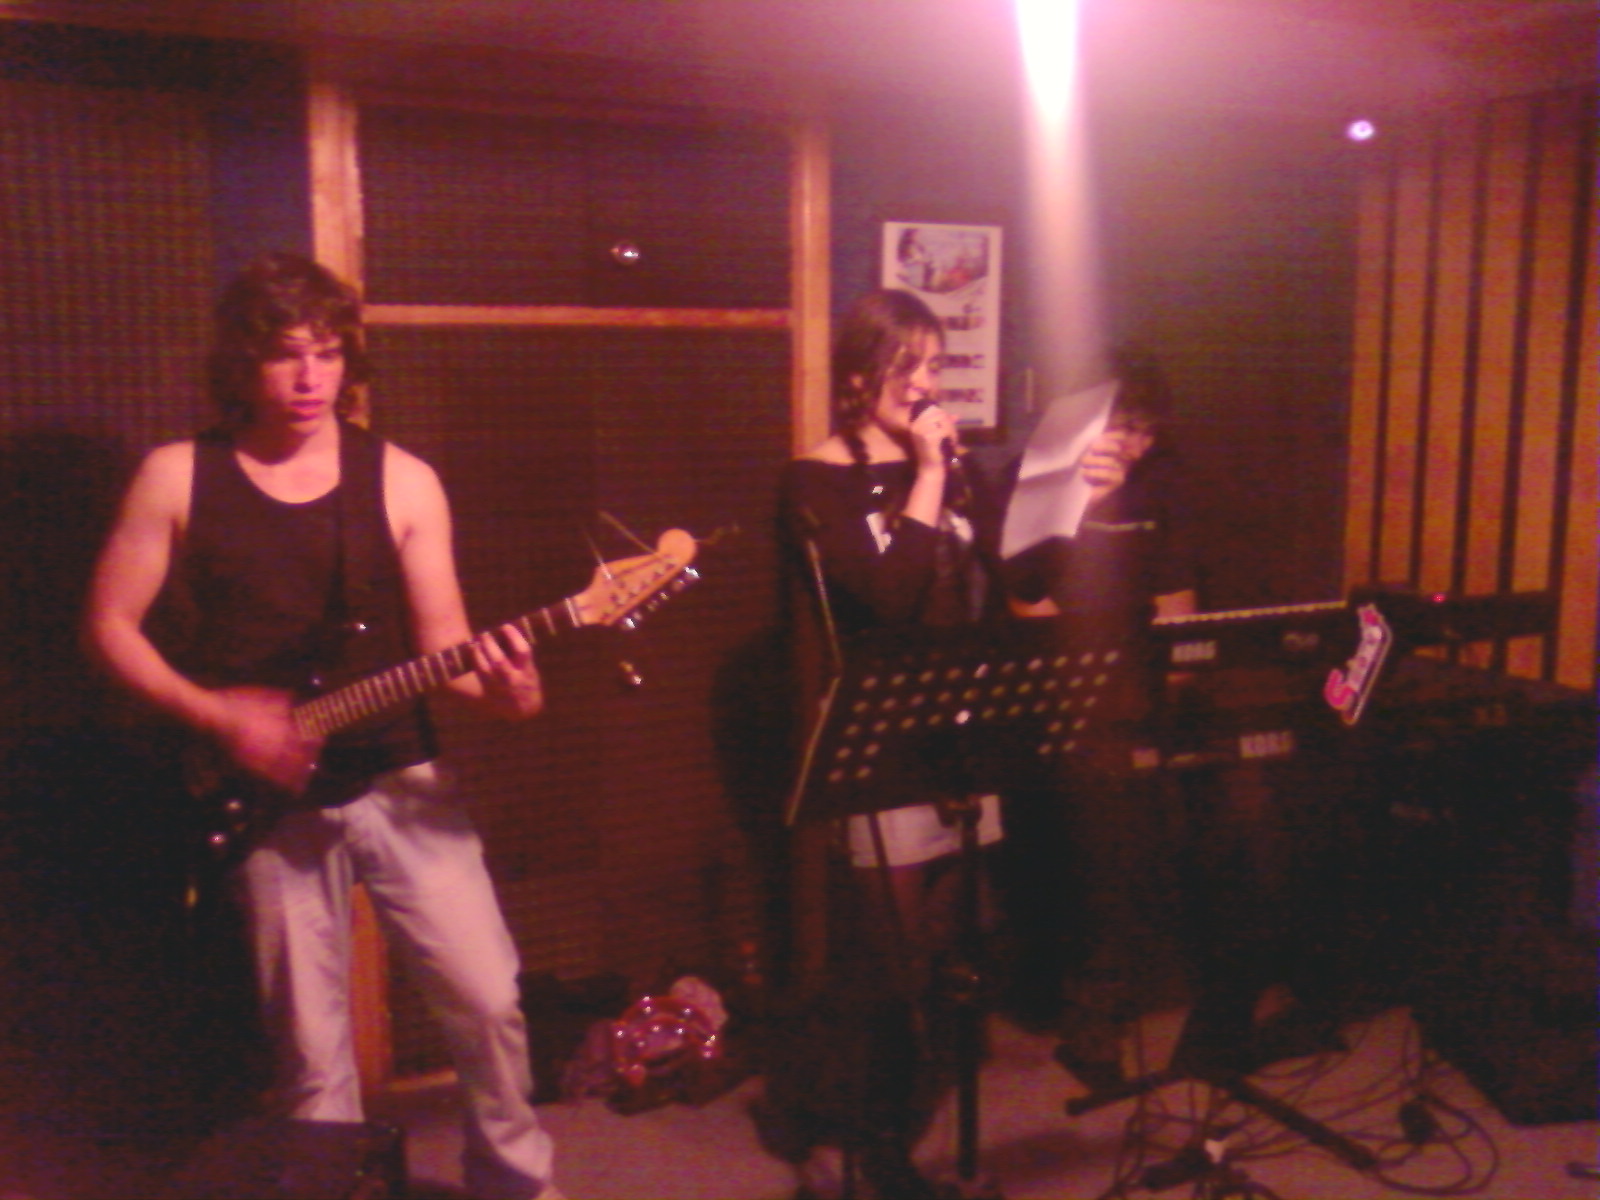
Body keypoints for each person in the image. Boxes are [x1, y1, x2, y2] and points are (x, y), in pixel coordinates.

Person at [83, 252, 562, 1200]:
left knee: (489, 1002)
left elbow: (448, 646)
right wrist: (219, 716)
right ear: (242, 361)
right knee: (311, 1055)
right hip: (267, 795)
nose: (311, 378)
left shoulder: (404, 482)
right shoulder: (177, 476)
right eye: (285, 355)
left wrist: (510, 692)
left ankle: (516, 1183)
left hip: (402, 779)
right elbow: (107, 627)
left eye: (329, 353)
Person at [771, 288, 1007, 1197]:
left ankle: (897, 1131)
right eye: (906, 365)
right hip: (884, 747)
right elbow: (889, 595)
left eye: (935, 365)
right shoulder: (815, 481)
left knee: (954, 947)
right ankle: (861, 1145)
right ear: (860, 372)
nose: (923, 383)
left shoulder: (949, 469)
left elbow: (998, 581)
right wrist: (930, 475)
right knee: (888, 963)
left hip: (960, 732)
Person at [999, 348, 1198, 1093]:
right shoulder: (1041, 477)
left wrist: (1169, 687)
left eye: (1147, 430)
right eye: (1125, 426)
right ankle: (1079, 1008)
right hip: (1058, 686)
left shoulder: (1162, 483)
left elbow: (1178, 605)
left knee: (1138, 832)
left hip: (1133, 688)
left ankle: (1107, 1005)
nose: (1136, 444)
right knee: (1084, 833)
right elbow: (1028, 602)